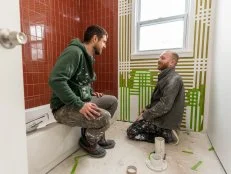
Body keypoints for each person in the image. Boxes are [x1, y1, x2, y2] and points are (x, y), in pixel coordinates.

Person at [49, 25, 118, 158]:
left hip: (81, 100)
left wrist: (90, 92)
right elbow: (56, 80)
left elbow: (80, 81)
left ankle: (98, 137)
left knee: (112, 101)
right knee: (105, 118)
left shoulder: (89, 57)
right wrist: (80, 105)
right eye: (104, 41)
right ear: (95, 38)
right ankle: (88, 141)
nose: (105, 46)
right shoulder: (74, 52)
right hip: (63, 107)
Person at [127, 51, 185, 144]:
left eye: (163, 58)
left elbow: (164, 105)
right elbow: (158, 100)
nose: (158, 60)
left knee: (131, 132)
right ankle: (165, 134)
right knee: (137, 122)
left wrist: (145, 115)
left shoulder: (174, 79)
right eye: (159, 58)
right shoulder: (166, 77)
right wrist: (146, 109)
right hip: (161, 118)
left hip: (166, 123)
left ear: (172, 63)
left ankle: (167, 136)